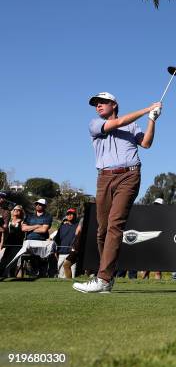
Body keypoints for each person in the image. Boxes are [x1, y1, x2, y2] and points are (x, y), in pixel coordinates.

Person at [73, 92, 162, 293]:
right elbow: (119, 122)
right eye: (96, 104)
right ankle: (109, 277)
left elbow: (146, 143)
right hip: (104, 178)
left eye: (102, 102)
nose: (98, 106)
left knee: (115, 224)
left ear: (114, 104)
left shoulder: (132, 126)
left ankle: (102, 278)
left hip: (129, 176)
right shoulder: (94, 124)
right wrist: (147, 108)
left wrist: (152, 120)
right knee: (102, 230)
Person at [0, 205, 26, 277]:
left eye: (18, 210)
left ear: (21, 212)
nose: (16, 211)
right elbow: (4, 232)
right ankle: (2, 275)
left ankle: (12, 276)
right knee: (3, 260)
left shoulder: (22, 222)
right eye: (15, 209)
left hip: (17, 244)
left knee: (13, 262)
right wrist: (2, 242)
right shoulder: (9, 221)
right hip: (8, 244)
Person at [54, 208, 79, 278]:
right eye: (68, 214)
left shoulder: (78, 226)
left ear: (75, 215)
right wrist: (56, 251)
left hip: (72, 254)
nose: (69, 215)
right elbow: (57, 240)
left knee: (71, 276)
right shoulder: (62, 227)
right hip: (61, 253)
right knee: (60, 276)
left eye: (72, 214)